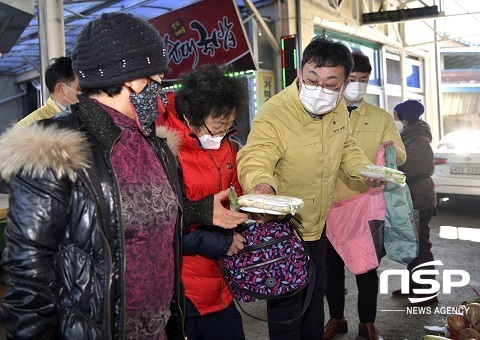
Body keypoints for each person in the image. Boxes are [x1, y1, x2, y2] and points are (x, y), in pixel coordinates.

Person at [0, 12, 247, 339]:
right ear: (133, 79)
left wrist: (200, 209)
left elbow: (133, 214)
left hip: (160, 328)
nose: (161, 92)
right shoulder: (55, 151)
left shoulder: (156, 143)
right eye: (157, 79)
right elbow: (28, 280)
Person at [236, 35, 384, 340]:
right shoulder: (275, 112)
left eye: (330, 84)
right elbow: (257, 154)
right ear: (300, 73)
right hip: (283, 230)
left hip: (318, 227)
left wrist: (364, 169)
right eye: (311, 79)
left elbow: (347, 148)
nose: (319, 90)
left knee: (315, 305)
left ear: (343, 87)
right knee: (287, 310)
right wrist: (262, 184)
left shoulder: (339, 109)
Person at [160, 64, 247, 340]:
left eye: (228, 123)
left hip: (221, 278)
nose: (223, 130)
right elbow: (163, 226)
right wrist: (220, 242)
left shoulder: (227, 146)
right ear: (189, 115)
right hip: (185, 288)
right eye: (217, 123)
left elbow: (232, 192)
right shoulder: (164, 149)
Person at [323, 51, 406, 340]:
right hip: (329, 204)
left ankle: (366, 322)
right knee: (331, 270)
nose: (357, 85)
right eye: (352, 79)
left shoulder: (381, 117)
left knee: (366, 267)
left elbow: (399, 153)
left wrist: (390, 150)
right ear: (342, 80)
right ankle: (336, 319)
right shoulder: (324, 113)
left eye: (363, 80)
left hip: (365, 203)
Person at [391, 99, 438, 306]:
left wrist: (388, 162)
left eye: (396, 117)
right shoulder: (409, 136)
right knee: (412, 245)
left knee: (421, 247)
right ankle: (414, 285)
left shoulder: (417, 139)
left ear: (406, 120)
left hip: (419, 199)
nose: (394, 121)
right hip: (412, 198)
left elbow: (410, 168)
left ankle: (427, 292)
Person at [15, 56, 80, 126]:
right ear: (61, 89)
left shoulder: (85, 116)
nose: (86, 92)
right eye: (80, 88)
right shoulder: (28, 125)